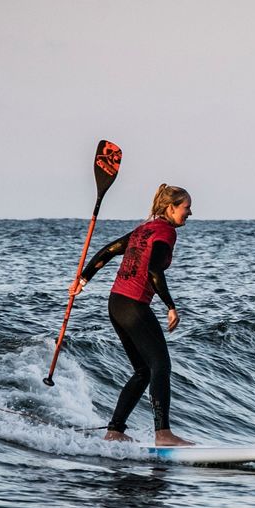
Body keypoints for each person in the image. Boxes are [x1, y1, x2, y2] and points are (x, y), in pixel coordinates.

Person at [70, 184, 194, 446]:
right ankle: (163, 434)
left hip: (116, 303)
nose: (190, 213)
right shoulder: (165, 232)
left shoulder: (143, 230)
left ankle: (115, 430)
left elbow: (109, 250)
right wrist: (171, 306)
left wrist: (83, 279)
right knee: (160, 366)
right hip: (134, 306)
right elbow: (153, 270)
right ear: (171, 208)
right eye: (186, 207)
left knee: (143, 371)